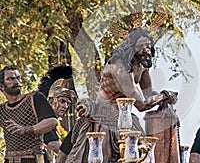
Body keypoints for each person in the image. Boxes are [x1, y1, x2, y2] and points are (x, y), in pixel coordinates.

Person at [56, 27, 178, 163]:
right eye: (141, 46)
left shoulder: (142, 64)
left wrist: (166, 98)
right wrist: (164, 96)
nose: (146, 49)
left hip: (124, 116)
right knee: (104, 157)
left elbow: (149, 93)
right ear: (131, 47)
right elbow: (141, 104)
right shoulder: (120, 67)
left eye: (148, 45)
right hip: (105, 116)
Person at [0, 65, 58, 163]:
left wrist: (26, 129)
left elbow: (52, 121)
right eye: (11, 79)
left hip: (34, 158)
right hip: (10, 160)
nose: (16, 81)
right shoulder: (2, 109)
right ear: (1, 86)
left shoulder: (35, 98)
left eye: (18, 78)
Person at [38, 65, 76, 155]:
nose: (65, 106)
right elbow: (56, 146)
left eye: (67, 103)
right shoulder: (44, 119)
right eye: (62, 101)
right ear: (51, 101)